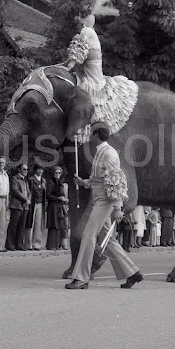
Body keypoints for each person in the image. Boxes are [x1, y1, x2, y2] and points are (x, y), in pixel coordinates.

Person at [66, 121, 143, 290]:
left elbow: (117, 181)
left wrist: (117, 207)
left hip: (105, 201)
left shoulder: (109, 154)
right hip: (100, 199)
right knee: (107, 241)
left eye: (91, 133)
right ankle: (132, 273)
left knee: (88, 235)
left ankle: (81, 278)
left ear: (96, 135)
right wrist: (84, 182)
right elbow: (99, 179)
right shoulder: (101, 153)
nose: (89, 136)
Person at [6, 164, 30, 251]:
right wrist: (25, 200)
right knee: (13, 225)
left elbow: (29, 192)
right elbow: (15, 191)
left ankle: (19, 244)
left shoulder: (25, 181)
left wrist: (27, 201)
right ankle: (10, 244)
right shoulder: (14, 178)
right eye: (24, 169)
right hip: (16, 205)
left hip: (24, 206)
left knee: (22, 226)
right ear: (19, 169)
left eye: (27, 170)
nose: (26, 171)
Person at [46, 166, 69, 250]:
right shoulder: (50, 182)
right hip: (53, 206)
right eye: (56, 173)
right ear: (53, 173)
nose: (57, 174)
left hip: (59, 206)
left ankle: (57, 244)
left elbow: (62, 194)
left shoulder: (60, 183)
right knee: (53, 224)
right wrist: (58, 198)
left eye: (59, 173)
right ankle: (51, 245)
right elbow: (48, 195)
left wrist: (64, 199)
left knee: (59, 225)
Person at [26, 164, 46, 251]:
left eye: (41, 169)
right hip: (32, 204)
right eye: (38, 169)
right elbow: (28, 192)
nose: (40, 171)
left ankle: (36, 244)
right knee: (30, 223)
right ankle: (28, 244)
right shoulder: (31, 179)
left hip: (40, 203)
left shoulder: (43, 180)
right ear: (35, 170)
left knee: (38, 224)